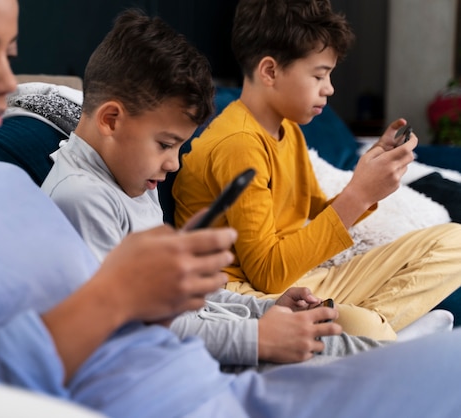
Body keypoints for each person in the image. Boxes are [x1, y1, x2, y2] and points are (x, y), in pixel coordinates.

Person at [0, 0, 461, 417]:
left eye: (10, 52)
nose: (8, 82)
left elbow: (159, 315)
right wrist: (118, 297)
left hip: (229, 389)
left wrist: (257, 311)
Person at [41, 8, 390, 369]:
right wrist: (257, 337)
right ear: (111, 120)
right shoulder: (82, 198)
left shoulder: (133, 178)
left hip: (234, 337)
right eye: (165, 144)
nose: (174, 164)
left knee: (381, 356)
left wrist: (268, 309)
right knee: (379, 365)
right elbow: (128, 325)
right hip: (209, 359)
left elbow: (189, 298)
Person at [172, 0, 461, 341]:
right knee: (360, 325)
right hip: (242, 297)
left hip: (301, 280)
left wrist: (367, 178)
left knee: (455, 238)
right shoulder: (238, 145)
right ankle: (379, 332)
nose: (330, 88)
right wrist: (359, 194)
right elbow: (268, 274)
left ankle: (378, 331)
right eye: (319, 74)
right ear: (270, 71)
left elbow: (315, 215)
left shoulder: (287, 130)